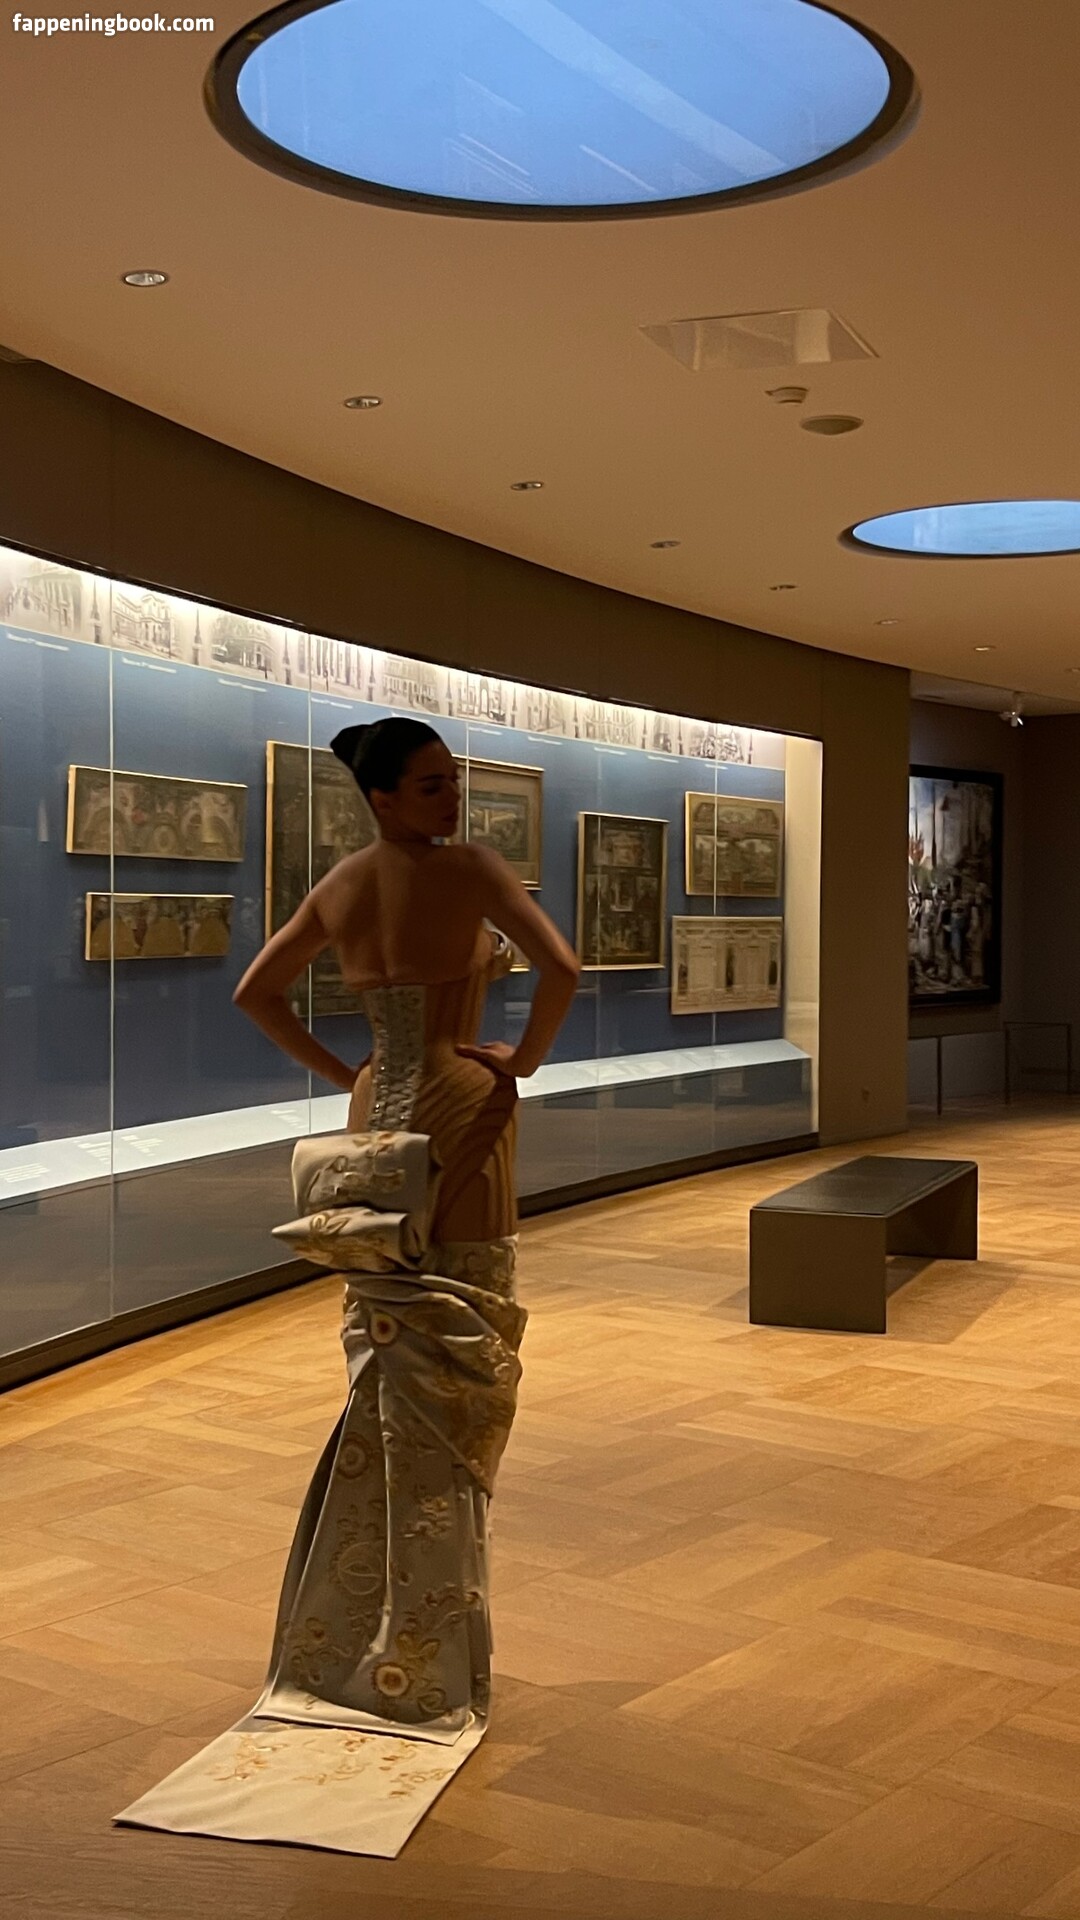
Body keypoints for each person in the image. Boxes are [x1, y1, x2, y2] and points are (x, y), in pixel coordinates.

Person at [116, 716, 579, 1855]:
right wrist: (520, 1062)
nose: (451, 802)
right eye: (429, 787)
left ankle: (368, 1627)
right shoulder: (471, 872)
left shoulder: (342, 883)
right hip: (465, 1103)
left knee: (393, 1352)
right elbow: (563, 968)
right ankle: (425, 1643)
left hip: (373, 1117)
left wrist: (352, 1074)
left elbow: (255, 994)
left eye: (453, 783)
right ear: (380, 795)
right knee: (462, 1352)